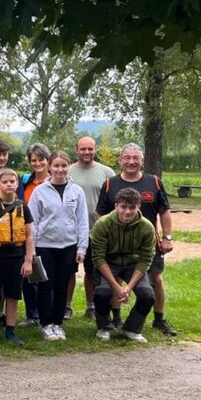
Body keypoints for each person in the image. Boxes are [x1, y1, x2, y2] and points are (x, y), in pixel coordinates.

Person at [95, 143, 178, 336]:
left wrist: (167, 238)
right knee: (113, 279)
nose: (131, 162)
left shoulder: (154, 182)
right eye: (127, 158)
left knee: (155, 279)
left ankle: (159, 319)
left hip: (146, 243)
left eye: (135, 158)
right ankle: (115, 318)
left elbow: (165, 211)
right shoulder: (110, 184)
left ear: (142, 161)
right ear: (120, 160)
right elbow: (100, 214)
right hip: (116, 246)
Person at [28, 151, 89, 341]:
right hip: (45, 246)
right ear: (50, 167)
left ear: (68, 166)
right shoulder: (40, 191)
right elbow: (32, 222)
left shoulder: (77, 191)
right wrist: (32, 249)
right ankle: (46, 324)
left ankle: (57, 323)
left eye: (64, 165)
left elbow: (82, 221)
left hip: (68, 246)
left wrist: (81, 248)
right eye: (56, 165)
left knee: (62, 285)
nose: (60, 169)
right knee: (45, 285)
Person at [91, 188, 157, 343]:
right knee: (102, 294)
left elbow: (146, 259)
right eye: (123, 207)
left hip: (133, 265)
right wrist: (116, 287)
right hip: (108, 263)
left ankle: (132, 328)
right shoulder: (102, 224)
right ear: (116, 206)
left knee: (147, 295)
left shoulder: (147, 227)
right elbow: (98, 258)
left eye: (132, 208)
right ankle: (104, 327)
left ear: (138, 207)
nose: (127, 212)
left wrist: (128, 287)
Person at [0, 168, 34, 346]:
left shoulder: (23, 206)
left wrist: (27, 260)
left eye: (12, 182)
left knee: (13, 294)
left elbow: (30, 235)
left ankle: (11, 331)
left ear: (17, 184)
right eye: (5, 182)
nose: (9, 185)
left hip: (16, 255)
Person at [67, 135, 115, 319]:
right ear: (76, 150)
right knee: (69, 271)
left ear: (95, 149)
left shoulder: (107, 172)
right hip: (72, 231)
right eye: (83, 149)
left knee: (92, 271)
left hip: (97, 232)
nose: (86, 152)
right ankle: (67, 306)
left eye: (90, 148)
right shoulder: (68, 170)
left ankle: (91, 306)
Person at [18, 142, 51, 326]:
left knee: (46, 276)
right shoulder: (25, 181)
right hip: (27, 233)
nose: (37, 164)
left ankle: (46, 312)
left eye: (41, 160)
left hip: (48, 235)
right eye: (34, 160)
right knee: (29, 274)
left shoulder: (54, 181)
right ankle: (32, 314)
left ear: (48, 160)